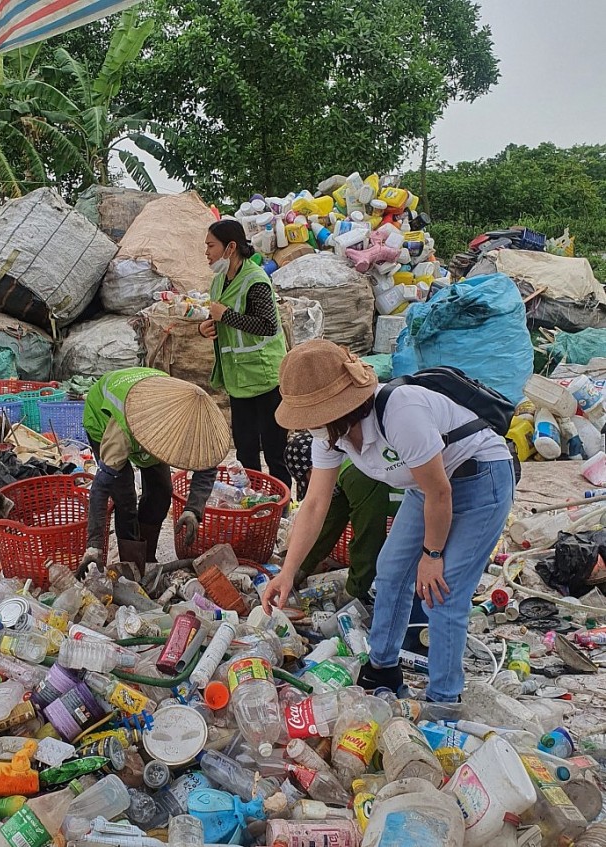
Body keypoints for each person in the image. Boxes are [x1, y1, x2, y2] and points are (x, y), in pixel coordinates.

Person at [262, 340, 514, 703]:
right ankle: (382, 667)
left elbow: (441, 494)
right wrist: (287, 571)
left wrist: (432, 555)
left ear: (334, 407)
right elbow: (315, 504)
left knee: (442, 592)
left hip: (479, 479)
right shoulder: (330, 436)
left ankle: (444, 698)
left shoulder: (401, 412)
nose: (308, 425)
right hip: (424, 487)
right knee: (391, 570)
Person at [81, 368, 231, 571]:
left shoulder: (194, 418)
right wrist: (94, 546)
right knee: (124, 498)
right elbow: (100, 489)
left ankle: (147, 557)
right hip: (104, 419)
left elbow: (207, 464)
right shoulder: (122, 433)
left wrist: (193, 510)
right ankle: (132, 564)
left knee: (161, 491)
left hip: (150, 408)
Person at [199, 219, 291, 488]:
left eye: (210, 246)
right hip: (238, 379)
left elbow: (267, 325)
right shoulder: (218, 282)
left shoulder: (256, 280)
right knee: (245, 448)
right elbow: (216, 319)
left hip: (264, 377)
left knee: (275, 449)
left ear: (230, 248)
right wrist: (204, 328)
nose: (206, 253)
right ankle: (252, 499)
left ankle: (281, 503)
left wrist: (226, 315)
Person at [284, 431, 401, 602]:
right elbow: (328, 525)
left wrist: (354, 591)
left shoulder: (355, 475)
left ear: (313, 467)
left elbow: (368, 536)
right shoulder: (341, 472)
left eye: (307, 480)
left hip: (428, 507)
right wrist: (297, 570)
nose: (311, 486)